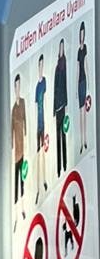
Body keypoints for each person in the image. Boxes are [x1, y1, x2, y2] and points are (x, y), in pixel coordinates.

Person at [12, 73, 27, 224]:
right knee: (16, 182)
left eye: (19, 85)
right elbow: (11, 131)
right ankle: (16, 214)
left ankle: (22, 208)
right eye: (16, 86)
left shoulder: (22, 103)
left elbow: (25, 122)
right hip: (16, 150)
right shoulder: (13, 110)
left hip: (22, 147)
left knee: (22, 179)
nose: (18, 88)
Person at [55, 40, 69, 178]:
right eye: (60, 48)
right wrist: (54, 108)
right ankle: (59, 168)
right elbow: (55, 88)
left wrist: (66, 102)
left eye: (62, 48)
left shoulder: (64, 66)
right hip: (57, 107)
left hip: (63, 104)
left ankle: (65, 163)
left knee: (63, 134)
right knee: (57, 137)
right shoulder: (57, 68)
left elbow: (65, 84)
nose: (61, 50)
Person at [35, 54, 48, 200]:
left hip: (43, 121)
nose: (41, 67)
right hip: (37, 124)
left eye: (42, 65)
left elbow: (45, 100)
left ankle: (44, 180)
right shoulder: (37, 86)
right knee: (38, 153)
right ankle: (38, 188)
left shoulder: (44, 82)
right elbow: (35, 106)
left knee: (43, 151)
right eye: (40, 65)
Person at [79, 22, 89, 155]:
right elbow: (78, 69)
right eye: (80, 35)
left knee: (84, 113)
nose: (81, 37)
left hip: (84, 81)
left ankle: (85, 139)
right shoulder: (78, 51)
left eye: (83, 34)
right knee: (80, 113)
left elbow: (86, 64)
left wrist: (90, 81)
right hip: (79, 82)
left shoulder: (85, 48)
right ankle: (81, 142)